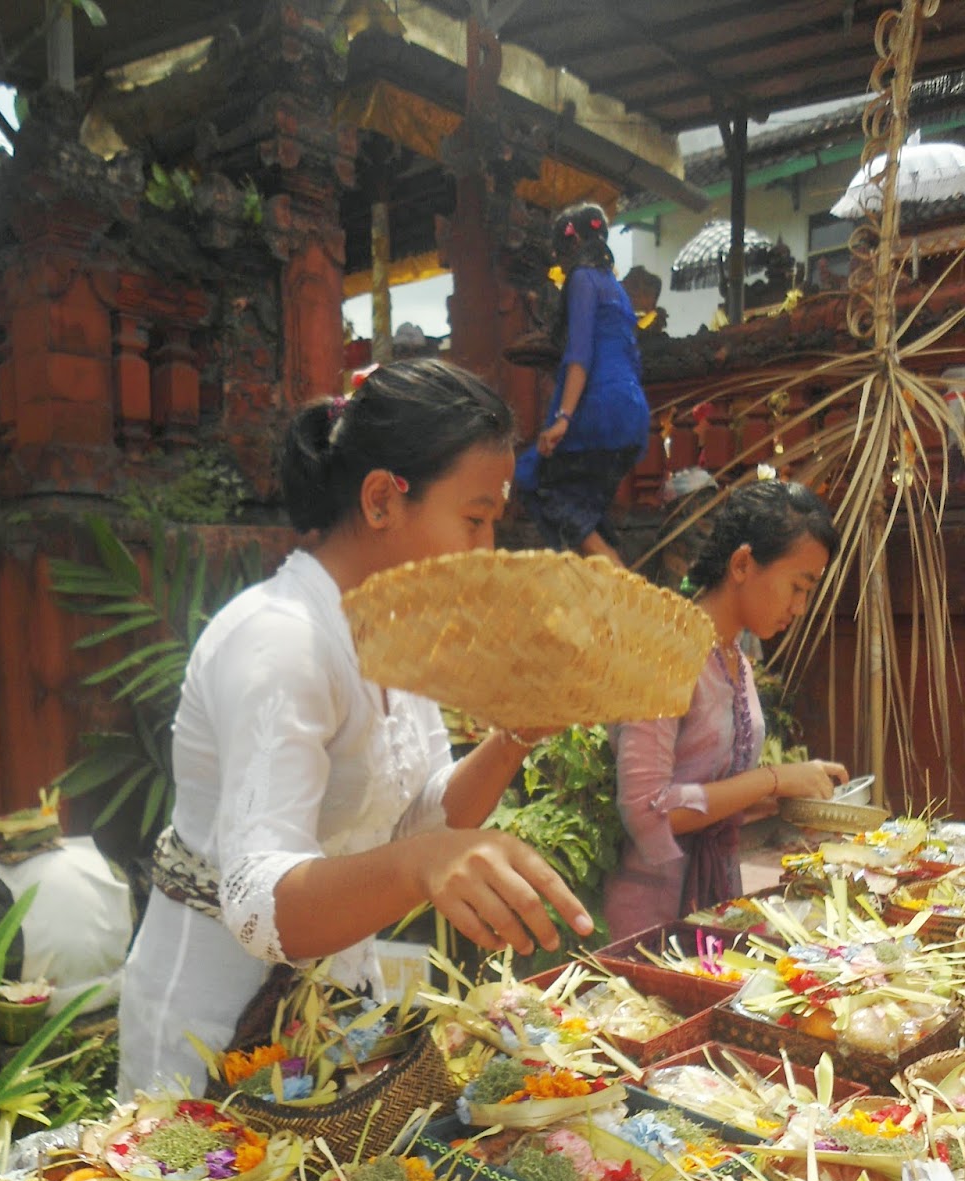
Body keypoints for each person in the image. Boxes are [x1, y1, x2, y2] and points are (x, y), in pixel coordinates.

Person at [119, 359, 594, 1097]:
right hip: (211, 1029)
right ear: (381, 500)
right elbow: (259, 902)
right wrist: (421, 865)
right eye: (473, 520)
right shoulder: (280, 640)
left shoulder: (392, 632)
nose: (486, 552)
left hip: (331, 1011)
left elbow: (425, 815)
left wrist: (515, 737)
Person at [603, 478, 849, 940]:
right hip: (652, 915)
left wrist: (793, 792)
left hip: (712, 899)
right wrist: (774, 779)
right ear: (742, 564)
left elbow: (713, 788)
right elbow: (648, 811)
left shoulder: (735, 659)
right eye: (797, 586)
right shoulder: (665, 652)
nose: (799, 607)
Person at [514, 203, 650, 565]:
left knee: (538, 480)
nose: (561, 267)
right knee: (588, 511)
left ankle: (619, 581)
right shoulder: (616, 288)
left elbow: (579, 353)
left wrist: (563, 418)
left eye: (560, 257)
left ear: (571, 245)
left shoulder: (582, 280)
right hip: (632, 413)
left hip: (598, 410)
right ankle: (610, 580)